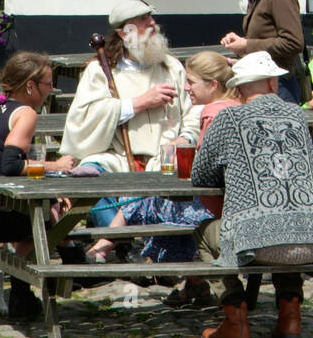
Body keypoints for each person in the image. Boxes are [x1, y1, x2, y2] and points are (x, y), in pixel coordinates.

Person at [191, 52, 313, 338]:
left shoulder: (229, 119)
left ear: (238, 88)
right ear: (273, 83)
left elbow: (200, 175)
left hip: (257, 244)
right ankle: (290, 317)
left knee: (205, 231)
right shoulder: (298, 117)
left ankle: (235, 320)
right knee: (283, 222)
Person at [84, 51, 240, 305]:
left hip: (216, 210)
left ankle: (102, 248)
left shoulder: (213, 114)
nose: (186, 87)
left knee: (146, 199)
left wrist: (184, 164)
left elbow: (209, 174)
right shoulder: (233, 107)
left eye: (191, 82)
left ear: (213, 85)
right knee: (151, 197)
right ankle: (194, 285)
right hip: (226, 205)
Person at [0, 51, 75, 319]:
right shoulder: (26, 113)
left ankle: (28, 294)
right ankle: (34, 290)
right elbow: (10, 165)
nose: (51, 90)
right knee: (45, 223)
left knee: (44, 215)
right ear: (30, 86)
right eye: (47, 84)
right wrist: (56, 167)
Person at [60, 0, 200, 179]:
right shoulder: (100, 71)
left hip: (166, 159)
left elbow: (194, 111)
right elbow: (85, 119)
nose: (152, 23)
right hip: (116, 160)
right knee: (90, 173)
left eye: (150, 16)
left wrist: (185, 139)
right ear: (125, 34)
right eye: (143, 19)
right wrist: (139, 103)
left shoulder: (171, 67)